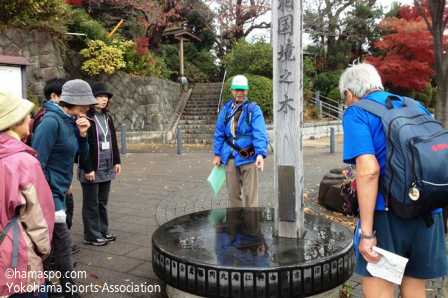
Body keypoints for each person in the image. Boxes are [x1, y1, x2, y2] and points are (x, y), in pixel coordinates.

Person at [340, 63, 447, 297]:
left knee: (380, 292)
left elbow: (368, 171)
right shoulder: (415, 105)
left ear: (349, 93)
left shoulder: (356, 112)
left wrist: (366, 233)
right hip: (429, 211)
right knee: (415, 291)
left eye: (344, 98)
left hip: (387, 216)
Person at [32, 79, 96, 298]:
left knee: (47, 244)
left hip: (59, 190)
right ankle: (70, 292)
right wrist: (43, 196)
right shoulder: (50, 121)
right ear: (70, 101)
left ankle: (42, 286)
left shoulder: (70, 121)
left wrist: (83, 135)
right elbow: (36, 162)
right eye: (84, 103)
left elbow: (83, 159)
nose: (87, 107)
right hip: (48, 194)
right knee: (63, 243)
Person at [0, 91, 55, 297]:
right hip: (17, 263)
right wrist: (42, 251)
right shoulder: (23, 162)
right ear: (15, 123)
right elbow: (39, 217)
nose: (31, 119)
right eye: (27, 116)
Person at [212, 75, 268, 207]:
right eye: (236, 90)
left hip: (248, 156)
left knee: (251, 196)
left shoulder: (254, 109)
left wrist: (260, 154)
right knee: (233, 195)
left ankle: (250, 225)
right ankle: (236, 224)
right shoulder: (225, 110)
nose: (239, 93)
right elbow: (219, 133)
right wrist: (217, 154)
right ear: (231, 90)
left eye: (242, 90)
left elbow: (260, 133)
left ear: (247, 91)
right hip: (229, 157)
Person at [78, 82, 121, 246]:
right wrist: (88, 168)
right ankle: (91, 234)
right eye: (100, 97)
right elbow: (83, 146)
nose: (104, 100)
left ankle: (103, 230)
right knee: (91, 203)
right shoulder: (85, 118)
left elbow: (113, 140)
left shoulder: (107, 117)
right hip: (92, 167)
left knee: (102, 201)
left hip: (107, 165)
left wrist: (117, 160)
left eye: (106, 97)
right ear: (91, 98)